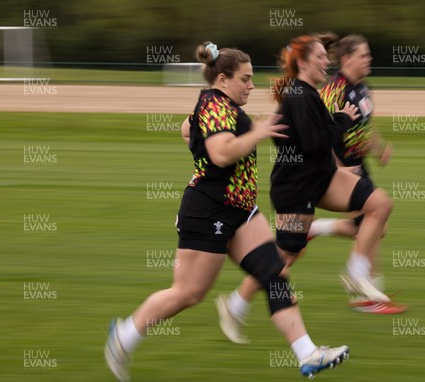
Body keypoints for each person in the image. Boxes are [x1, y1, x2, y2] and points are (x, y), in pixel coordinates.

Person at [104, 42, 349, 382]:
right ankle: (125, 334)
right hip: (208, 211)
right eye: (245, 79)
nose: (251, 86)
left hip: (241, 210)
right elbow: (221, 154)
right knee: (188, 293)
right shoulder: (217, 105)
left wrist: (225, 131)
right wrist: (258, 132)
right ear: (222, 79)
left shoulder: (218, 105)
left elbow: (186, 129)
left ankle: (307, 353)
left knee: (274, 275)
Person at [215, 35, 395, 344]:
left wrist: (347, 130)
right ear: (303, 63)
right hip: (295, 189)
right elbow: (316, 142)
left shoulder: (308, 93)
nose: (328, 62)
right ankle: (234, 304)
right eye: (321, 57)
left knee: (380, 204)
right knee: (284, 256)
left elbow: (314, 137)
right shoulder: (300, 96)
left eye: (328, 57)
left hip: (321, 177)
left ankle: (356, 274)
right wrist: (341, 120)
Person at [309, 33, 405, 314]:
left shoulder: (363, 88)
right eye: (364, 55)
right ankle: (366, 293)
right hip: (341, 170)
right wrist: (337, 167)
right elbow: (319, 134)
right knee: (375, 223)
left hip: (359, 166)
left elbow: (365, 126)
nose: (369, 59)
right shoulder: (333, 91)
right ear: (347, 59)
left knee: (376, 227)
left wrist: (378, 147)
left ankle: (366, 292)